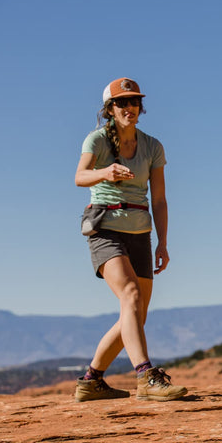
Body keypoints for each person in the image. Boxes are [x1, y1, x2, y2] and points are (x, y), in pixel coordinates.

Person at [74, 77, 187, 402]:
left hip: (141, 232)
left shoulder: (152, 146)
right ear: (109, 109)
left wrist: (162, 243)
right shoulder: (96, 141)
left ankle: (91, 380)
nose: (130, 108)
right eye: (122, 103)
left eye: (134, 102)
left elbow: (160, 200)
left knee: (135, 314)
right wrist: (104, 172)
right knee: (131, 295)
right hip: (105, 228)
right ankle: (146, 377)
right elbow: (79, 176)